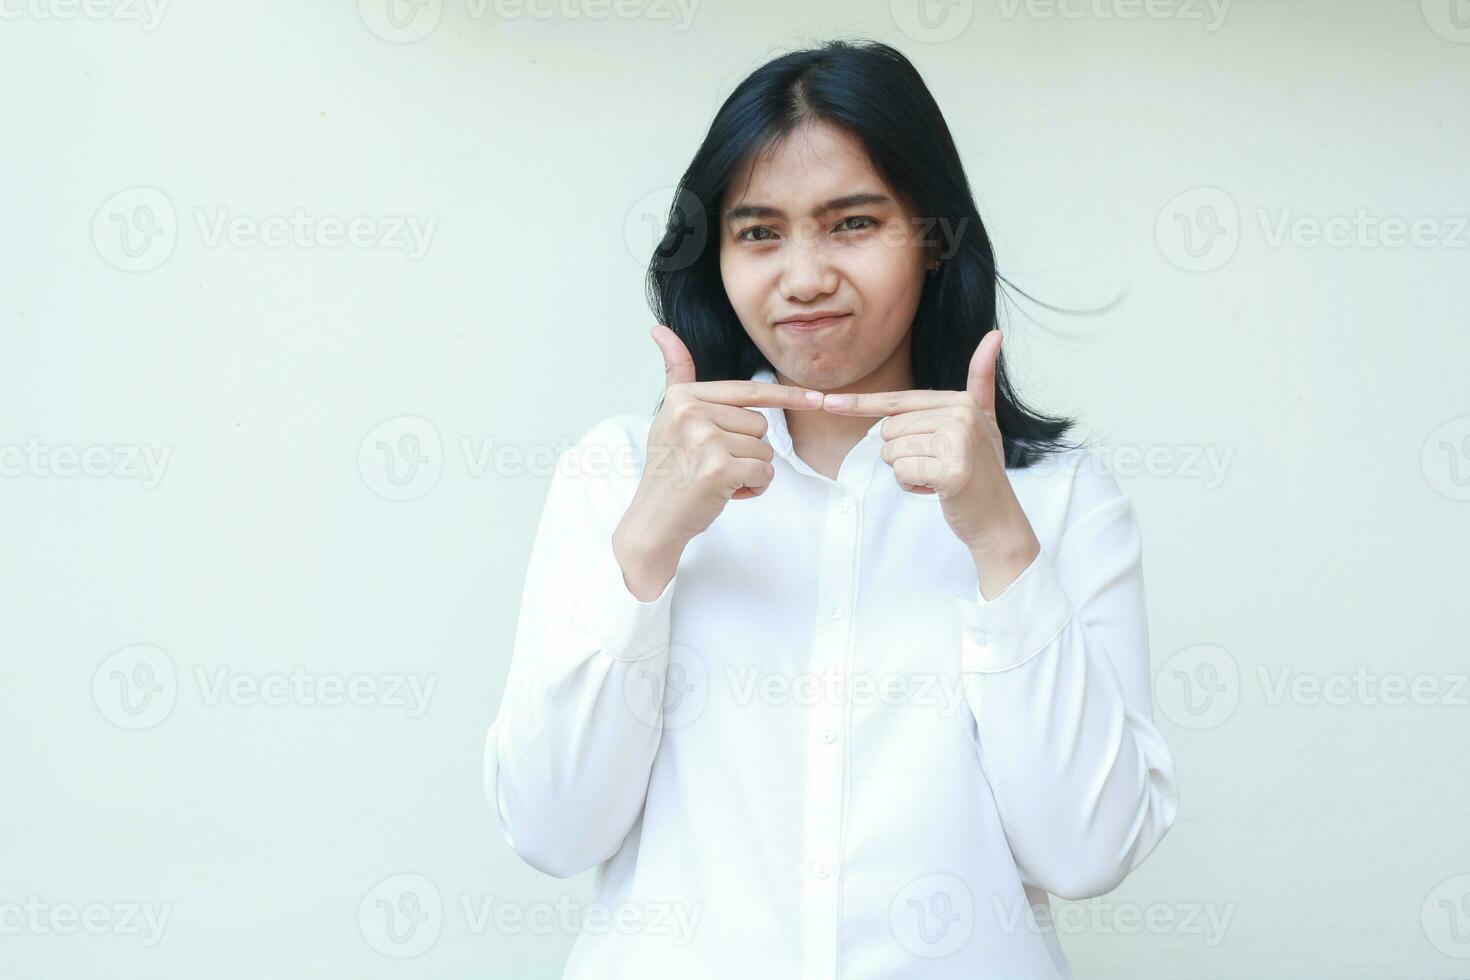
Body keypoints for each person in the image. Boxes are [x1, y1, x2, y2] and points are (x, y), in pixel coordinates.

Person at [484, 38, 1179, 979]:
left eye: (852, 223)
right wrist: (649, 540)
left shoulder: (1056, 496)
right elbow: (551, 828)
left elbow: (1089, 852)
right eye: (759, 232)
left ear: (933, 239)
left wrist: (1000, 541)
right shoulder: (614, 475)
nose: (803, 276)